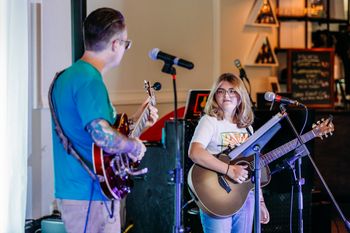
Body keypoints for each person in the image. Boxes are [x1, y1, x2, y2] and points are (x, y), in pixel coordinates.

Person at [49, 7, 158, 233]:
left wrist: (139, 119)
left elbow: (87, 131)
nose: (124, 49)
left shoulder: (69, 76)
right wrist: (134, 146)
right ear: (115, 44)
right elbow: (102, 136)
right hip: (90, 195)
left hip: (76, 191)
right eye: (126, 44)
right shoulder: (90, 80)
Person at [188, 73, 269, 233]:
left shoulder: (247, 127)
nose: (226, 95)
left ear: (240, 96)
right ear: (214, 96)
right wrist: (229, 170)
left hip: (245, 196)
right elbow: (195, 152)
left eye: (232, 91)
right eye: (221, 91)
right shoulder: (209, 121)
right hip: (217, 194)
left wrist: (260, 202)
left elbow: (253, 167)